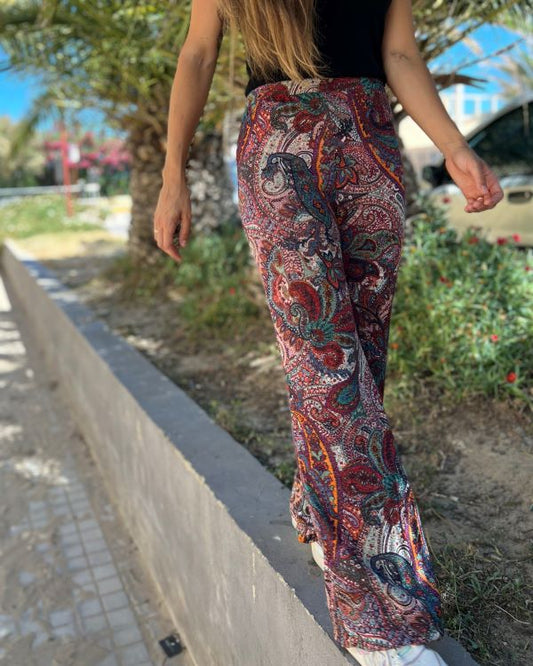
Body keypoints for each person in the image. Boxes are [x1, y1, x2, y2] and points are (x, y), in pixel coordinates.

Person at [153, 1, 504, 664]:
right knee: (329, 371)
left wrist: (455, 148)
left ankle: (319, 514)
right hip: (279, 146)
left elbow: (398, 53)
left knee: (361, 362)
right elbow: (198, 51)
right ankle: (380, 620)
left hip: (370, 144)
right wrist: (172, 175)